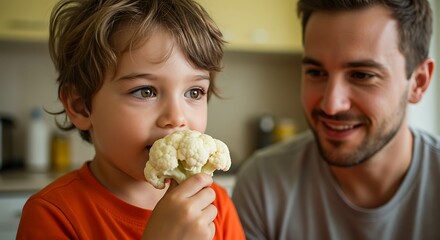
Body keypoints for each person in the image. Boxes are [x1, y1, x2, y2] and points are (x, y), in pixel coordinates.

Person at [17, 0, 245, 239]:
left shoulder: (215, 205)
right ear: (81, 107)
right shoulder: (54, 215)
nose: (176, 118)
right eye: (145, 91)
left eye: (194, 92)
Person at [232, 0, 439, 239]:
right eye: (316, 73)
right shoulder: (263, 184)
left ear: (419, 82)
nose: (330, 105)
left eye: (362, 75)